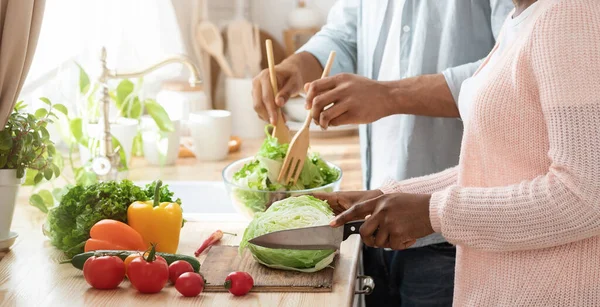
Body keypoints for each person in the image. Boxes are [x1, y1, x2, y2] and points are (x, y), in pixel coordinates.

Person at [314, 0, 600, 305]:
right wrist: (386, 194)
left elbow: (586, 195)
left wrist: (433, 212)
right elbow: (493, 166)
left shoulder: (572, 13)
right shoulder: (522, 18)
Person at [252, 1, 512, 306]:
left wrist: (390, 95)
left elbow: (508, 70)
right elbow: (343, 35)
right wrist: (298, 65)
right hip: (372, 216)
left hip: (453, 228)